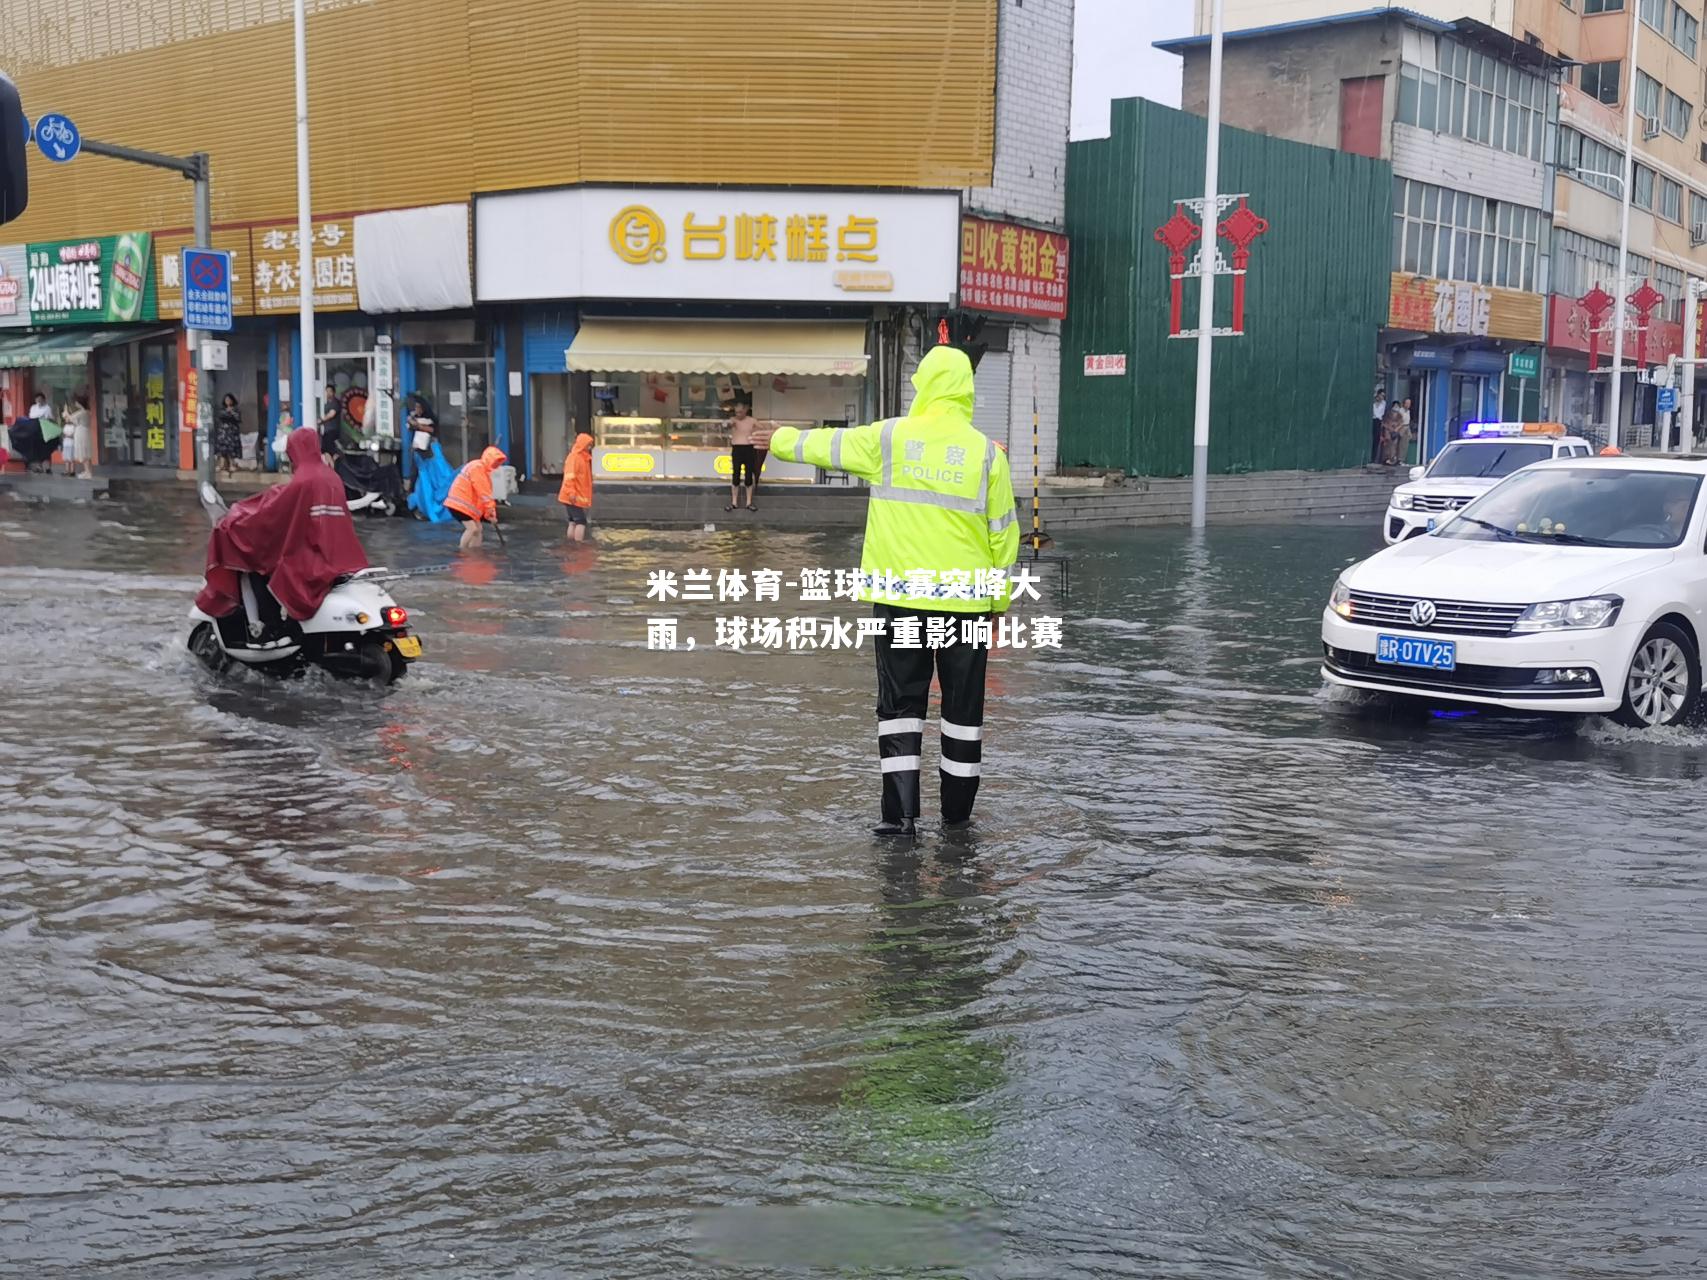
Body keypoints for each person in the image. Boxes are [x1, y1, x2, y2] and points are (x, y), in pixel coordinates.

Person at [757, 344, 1020, 836]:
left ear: (921, 386)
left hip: (900, 601)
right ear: (966, 391)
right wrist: (997, 605)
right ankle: (957, 821)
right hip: (966, 607)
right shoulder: (987, 454)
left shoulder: (891, 439)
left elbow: (824, 447)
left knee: (900, 708)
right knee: (963, 714)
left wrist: (777, 438)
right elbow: (1004, 538)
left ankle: (899, 819)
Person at [194, 426, 369, 632]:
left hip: (313, 559)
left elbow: (272, 515)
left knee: (260, 568)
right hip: (340, 557)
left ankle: (270, 627)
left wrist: (237, 524)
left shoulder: (303, 480)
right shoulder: (331, 478)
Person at [445, 445, 508, 550]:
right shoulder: (478, 468)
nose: (496, 466)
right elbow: (484, 494)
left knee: (478, 529)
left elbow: (481, 497)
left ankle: (475, 551)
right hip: (459, 505)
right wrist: (490, 511)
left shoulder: (480, 470)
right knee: (472, 528)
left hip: (463, 505)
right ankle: (462, 550)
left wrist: (489, 514)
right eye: (495, 462)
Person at [726, 399, 764, 512]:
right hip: (737, 449)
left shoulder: (752, 421)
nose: (738, 414)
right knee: (735, 475)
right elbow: (726, 425)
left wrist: (755, 433)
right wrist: (728, 424)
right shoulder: (733, 420)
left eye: (740, 412)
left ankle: (749, 502)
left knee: (748, 476)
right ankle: (734, 502)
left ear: (745, 411)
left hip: (748, 449)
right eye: (736, 412)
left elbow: (762, 428)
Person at [558, 423, 594, 542]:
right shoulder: (576, 458)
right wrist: (571, 493)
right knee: (581, 522)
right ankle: (578, 544)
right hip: (573, 496)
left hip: (572, 495)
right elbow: (569, 478)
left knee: (573, 521)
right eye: (588, 445)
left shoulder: (580, 458)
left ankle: (571, 543)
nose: (589, 447)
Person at [63, 394, 92, 480]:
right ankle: (87, 471)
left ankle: (87, 472)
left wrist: (66, 412)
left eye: (77, 403)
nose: (76, 404)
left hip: (81, 432)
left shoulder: (81, 413)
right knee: (86, 452)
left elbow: (69, 418)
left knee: (83, 452)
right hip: (85, 431)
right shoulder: (87, 412)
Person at [215, 394, 242, 476]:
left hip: (232, 433)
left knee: (232, 449)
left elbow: (238, 419)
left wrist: (232, 412)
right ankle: (222, 465)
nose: (228, 401)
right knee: (222, 449)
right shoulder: (222, 410)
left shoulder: (236, 410)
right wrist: (227, 411)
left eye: (229, 399)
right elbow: (220, 417)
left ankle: (232, 464)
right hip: (223, 433)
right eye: (226, 400)